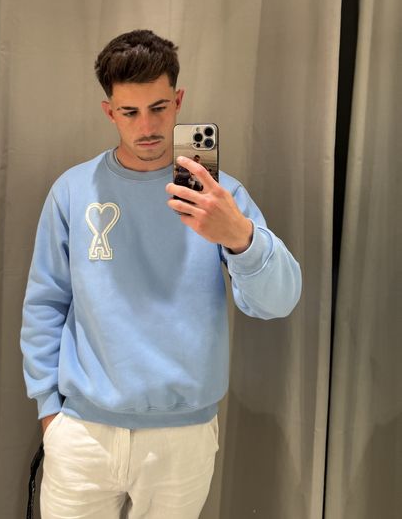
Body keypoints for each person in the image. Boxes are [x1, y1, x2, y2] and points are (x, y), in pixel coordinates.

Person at [20, 29, 302, 519]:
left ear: (179, 101)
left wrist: (240, 236)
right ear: (109, 112)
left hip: (183, 435)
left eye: (159, 107)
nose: (147, 126)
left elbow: (279, 302)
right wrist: (50, 411)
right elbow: (46, 303)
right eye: (129, 112)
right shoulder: (73, 190)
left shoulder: (219, 196)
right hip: (83, 431)